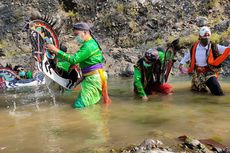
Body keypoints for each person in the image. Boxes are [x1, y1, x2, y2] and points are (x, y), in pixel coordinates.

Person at [46, 22, 111, 108]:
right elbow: (88, 63)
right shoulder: (90, 44)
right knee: (87, 103)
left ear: (85, 32)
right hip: (92, 77)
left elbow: (74, 59)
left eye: (77, 34)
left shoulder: (88, 46)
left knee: (79, 105)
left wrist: (55, 50)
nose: (76, 38)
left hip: (93, 79)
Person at [179, 26, 230, 95]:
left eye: (208, 36)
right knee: (197, 94)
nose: (206, 38)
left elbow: (226, 50)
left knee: (218, 92)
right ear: (200, 36)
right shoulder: (194, 47)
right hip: (198, 73)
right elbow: (188, 55)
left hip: (209, 72)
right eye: (204, 36)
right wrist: (181, 63)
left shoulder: (214, 46)